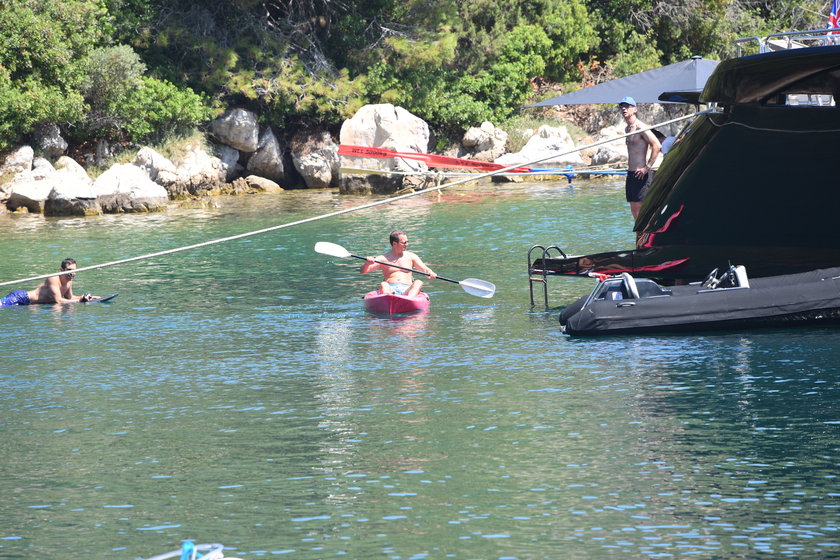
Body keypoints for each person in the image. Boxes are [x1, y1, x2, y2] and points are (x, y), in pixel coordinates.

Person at [620, 96, 661, 219]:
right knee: (633, 208)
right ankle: (639, 231)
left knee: (641, 209)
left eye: (627, 106)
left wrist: (647, 167)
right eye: (621, 106)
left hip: (640, 174)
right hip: (631, 173)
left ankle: (646, 229)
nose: (623, 108)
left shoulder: (640, 127)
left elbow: (657, 145)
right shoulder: (627, 129)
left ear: (635, 109)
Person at [361, 230, 436, 297]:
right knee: (383, 284)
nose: (406, 244)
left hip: (407, 289)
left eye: (407, 242)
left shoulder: (411, 256)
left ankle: (408, 300)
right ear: (394, 244)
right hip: (390, 289)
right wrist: (367, 263)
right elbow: (363, 271)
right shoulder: (383, 258)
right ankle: (389, 298)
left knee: (418, 282)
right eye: (403, 242)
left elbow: (424, 269)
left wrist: (430, 272)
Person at [0, 258, 95, 306]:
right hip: (21, 298)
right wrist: (80, 301)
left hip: (27, 306)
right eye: (69, 270)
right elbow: (58, 300)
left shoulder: (69, 282)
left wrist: (89, 297)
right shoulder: (53, 279)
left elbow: (70, 298)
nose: (72, 273)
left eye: (74, 271)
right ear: (61, 270)